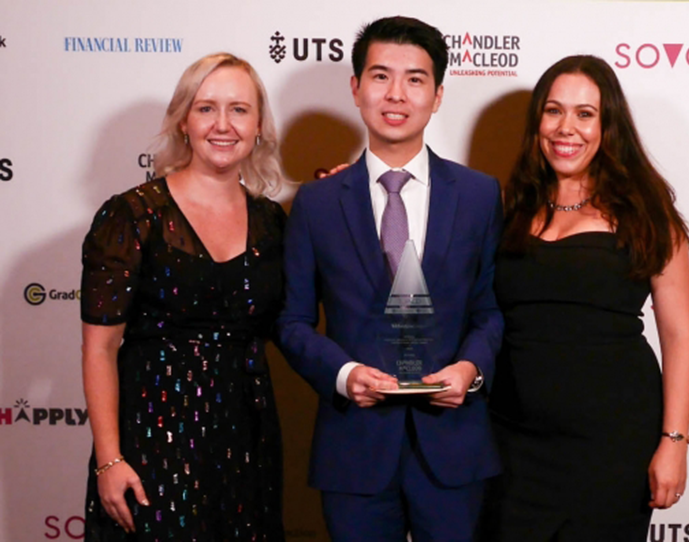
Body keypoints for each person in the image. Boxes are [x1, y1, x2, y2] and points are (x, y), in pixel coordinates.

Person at [277, 16, 503, 542]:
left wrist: (470, 368)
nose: (396, 94)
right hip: (354, 450)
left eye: (415, 79)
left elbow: (491, 309)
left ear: (438, 94)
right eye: (380, 76)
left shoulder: (479, 195)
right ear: (355, 89)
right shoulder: (315, 203)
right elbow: (291, 321)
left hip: (454, 447)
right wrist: (344, 373)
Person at [482, 55, 689, 541]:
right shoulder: (504, 207)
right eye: (553, 110)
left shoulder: (647, 214)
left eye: (585, 113)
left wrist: (674, 443)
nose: (566, 128)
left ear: (608, 125)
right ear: (537, 120)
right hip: (512, 444)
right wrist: (358, 186)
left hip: (613, 449)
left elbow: (680, 338)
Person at [80, 52, 287, 541]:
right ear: (183, 122)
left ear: (259, 125)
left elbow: (295, 322)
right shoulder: (131, 215)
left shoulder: (274, 222)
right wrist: (110, 458)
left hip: (245, 439)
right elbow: (99, 348)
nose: (223, 124)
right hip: (152, 440)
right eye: (206, 108)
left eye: (239, 109)